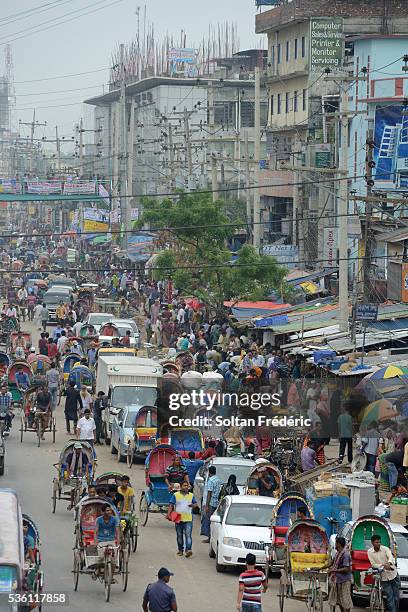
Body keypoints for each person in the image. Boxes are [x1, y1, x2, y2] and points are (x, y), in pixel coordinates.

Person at [368, 534, 400, 612]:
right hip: (384, 577)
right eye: (376, 542)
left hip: (393, 575)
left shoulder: (385, 549)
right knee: (389, 597)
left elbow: (390, 557)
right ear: (372, 543)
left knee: (396, 597)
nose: (378, 544)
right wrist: (383, 565)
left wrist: (388, 563)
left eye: (379, 542)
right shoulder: (369, 552)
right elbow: (373, 564)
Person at [167, 480, 197, 557]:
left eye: (187, 486)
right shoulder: (176, 495)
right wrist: (168, 514)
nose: (186, 487)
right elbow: (171, 505)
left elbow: (195, 504)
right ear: (180, 487)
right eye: (184, 485)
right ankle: (180, 550)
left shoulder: (191, 495)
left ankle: (188, 550)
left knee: (188, 535)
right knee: (179, 535)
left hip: (188, 519)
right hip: (178, 519)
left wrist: (193, 505)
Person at [94, 504, 120, 578]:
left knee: (114, 560)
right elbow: (95, 531)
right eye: (107, 510)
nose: (109, 512)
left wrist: (118, 543)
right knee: (101, 557)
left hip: (111, 541)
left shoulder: (114, 519)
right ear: (103, 512)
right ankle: (98, 569)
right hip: (101, 541)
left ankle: (111, 576)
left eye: (110, 510)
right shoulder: (98, 520)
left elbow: (117, 531)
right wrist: (96, 542)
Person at [201, 465, 223, 543]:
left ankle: (209, 538)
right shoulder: (218, 480)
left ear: (209, 472)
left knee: (209, 521)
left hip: (211, 503)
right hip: (216, 503)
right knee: (214, 521)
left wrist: (206, 505)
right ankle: (212, 537)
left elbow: (209, 493)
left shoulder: (210, 480)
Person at [65, 442, 90, 509]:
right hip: (72, 472)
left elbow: (87, 464)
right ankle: (71, 503)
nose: (79, 450)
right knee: (73, 488)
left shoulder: (84, 455)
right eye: (78, 449)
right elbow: (67, 464)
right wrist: (68, 473)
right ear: (75, 449)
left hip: (80, 472)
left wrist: (87, 473)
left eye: (80, 449)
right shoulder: (70, 455)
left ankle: (82, 496)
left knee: (85, 485)